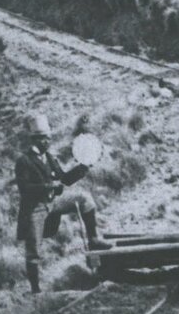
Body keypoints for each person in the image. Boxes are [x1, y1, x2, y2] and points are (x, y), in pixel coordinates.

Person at [13, 113, 108, 294]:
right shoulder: (23, 161)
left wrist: (82, 168)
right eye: (43, 139)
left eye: (48, 138)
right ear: (34, 140)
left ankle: (94, 238)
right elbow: (25, 189)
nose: (47, 142)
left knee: (85, 199)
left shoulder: (49, 157)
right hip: (35, 207)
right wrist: (49, 186)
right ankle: (35, 290)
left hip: (53, 203)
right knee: (33, 250)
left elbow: (64, 179)